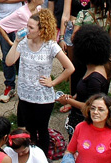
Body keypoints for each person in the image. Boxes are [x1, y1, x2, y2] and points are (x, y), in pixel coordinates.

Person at [6, 8, 74, 155]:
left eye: (31, 28)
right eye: (27, 26)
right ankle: (30, 157)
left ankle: (42, 157)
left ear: (41, 30)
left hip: (43, 98)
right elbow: (9, 62)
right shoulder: (23, 43)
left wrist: (53, 82)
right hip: (25, 95)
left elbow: (70, 68)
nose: (27, 30)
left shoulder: (50, 46)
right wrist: (16, 42)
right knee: (29, 130)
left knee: (42, 129)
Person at [56, 23, 111, 135]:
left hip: (86, 125)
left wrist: (68, 101)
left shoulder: (95, 79)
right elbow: (85, 93)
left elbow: (91, 106)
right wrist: (74, 97)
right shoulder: (95, 67)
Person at [65, 93, 111, 163]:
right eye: (93, 108)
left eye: (100, 109)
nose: (95, 112)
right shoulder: (80, 127)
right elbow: (69, 151)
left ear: (109, 112)